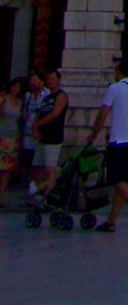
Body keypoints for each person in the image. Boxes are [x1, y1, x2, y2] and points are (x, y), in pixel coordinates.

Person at [90, 58, 128, 231]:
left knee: (115, 179)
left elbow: (103, 113)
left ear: (119, 71)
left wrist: (93, 135)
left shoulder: (114, 88)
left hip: (119, 140)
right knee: (123, 180)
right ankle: (111, 220)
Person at [29, 68, 69, 199]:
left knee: (50, 169)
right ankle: (38, 195)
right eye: (48, 79)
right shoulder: (46, 98)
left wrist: (38, 124)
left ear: (58, 80)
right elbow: (39, 114)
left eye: (52, 79)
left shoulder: (61, 96)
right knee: (37, 167)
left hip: (53, 137)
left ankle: (47, 196)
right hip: (42, 137)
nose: (50, 82)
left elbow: (54, 114)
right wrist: (35, 129)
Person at [19, 69, 45, 194]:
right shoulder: (28, 96)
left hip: (39, 136)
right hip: (27, 136)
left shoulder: (46, 95)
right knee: (26, 162)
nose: (33, 83)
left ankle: (37, 188)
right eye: (31, 81)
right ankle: (26, 185)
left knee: (38, 165)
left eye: (35, 80)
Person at [0, 77, 25, 205]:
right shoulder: (4, 98)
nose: (16, 89)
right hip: (2, 135)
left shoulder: (20, 102)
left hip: (13, 136)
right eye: (14, 86)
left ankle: (1, 197)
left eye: (19, 87)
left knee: (7, 169)